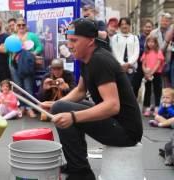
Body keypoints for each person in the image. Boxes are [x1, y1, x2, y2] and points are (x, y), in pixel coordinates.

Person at [41, 18, 143, 180]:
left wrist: (72, 116)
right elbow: (81, 91)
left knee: (62, 110)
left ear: (89, 41)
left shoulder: (100, 61)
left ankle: (80, 173)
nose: (69, 45)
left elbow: (112, 106)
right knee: (61, 106)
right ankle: (78, 165)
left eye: (74, 40)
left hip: (126, 131)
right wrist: (56, 103)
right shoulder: (87, 59)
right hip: (115, 121)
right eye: (69, 40)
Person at [8, 17, 43, 118]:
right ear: (16, 26)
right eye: (19, 25)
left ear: (26, 26)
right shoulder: (12, 37)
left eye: (23, 25)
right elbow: (7, 49)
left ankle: (29, 108)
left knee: (28, 87)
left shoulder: (31, 35)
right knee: (18, 88)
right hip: (14, 64)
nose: (21, 27)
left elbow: (40, 47)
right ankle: (22, 107)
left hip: (27, 64)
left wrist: (33, 53)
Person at [111, 17, 140, 83]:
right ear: (119, 26)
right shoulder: (116, 37)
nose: (124, 26)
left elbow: (136, 52)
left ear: (129, 25)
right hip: (119, 68)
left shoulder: (134, 38)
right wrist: (123, 64)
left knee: (130, 89)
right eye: (122, 24)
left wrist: (129, 63)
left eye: (126, 24)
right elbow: (115, 52)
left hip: (131, 68)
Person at [141, 35, 164, 117]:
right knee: (148, 91)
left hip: (156, 74)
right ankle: (147, 108)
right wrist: (145, 71)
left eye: (152, 42)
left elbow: (158, 64)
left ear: (156, 43)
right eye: (149, 42)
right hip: (148, 74)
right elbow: (143, 64)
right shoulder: (146, 52)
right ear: (146, 43)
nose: (150, 44)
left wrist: (151, 73)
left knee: (157, 90)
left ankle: (157, 108)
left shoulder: (159, 52)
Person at [132, 20, 154, 97]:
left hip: (150, 67)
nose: (148, 29)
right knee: (135, 85)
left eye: (150, 27)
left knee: (148, 88)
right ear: (143, 27)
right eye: (146, 27)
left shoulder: (154, 39)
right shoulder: (137, 38)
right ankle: (134, 104)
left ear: (152, 28)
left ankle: (146, 107)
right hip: (139, 65)